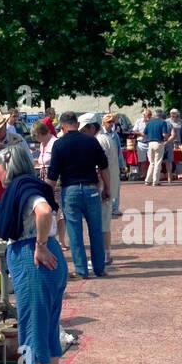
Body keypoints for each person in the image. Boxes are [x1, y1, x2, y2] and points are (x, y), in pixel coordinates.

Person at [0, 143, 68, 364]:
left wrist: (39, 245)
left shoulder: (24, 188)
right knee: (49, 325)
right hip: (48, 262)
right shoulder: (31, 184)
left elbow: (45, 211)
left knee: (32, 326)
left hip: (33, 260)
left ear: (8, 165)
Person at [47, 111, 110, 279]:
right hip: (91, 189)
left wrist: (46, 193)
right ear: (76, 123)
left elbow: (53, 174)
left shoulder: (59, 144)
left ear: (62, 126)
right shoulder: (91, 141)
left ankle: (82, 270)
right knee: (96, 230)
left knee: (75, 233)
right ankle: (99, 268)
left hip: (70, 190)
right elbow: (104, 167)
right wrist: (107, 188)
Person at [79, 113, 117, 264]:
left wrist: (102, 188)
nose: (82, 134)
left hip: (101, 188)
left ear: (92, 128)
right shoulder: (106, 139)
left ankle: (103, 255)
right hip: (107, 186)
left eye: (84, 130)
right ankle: (106, 254)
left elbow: (101, 168)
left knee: (100, 223)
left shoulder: (99, 141)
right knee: (104, 222)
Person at [101, 112, 125, 219]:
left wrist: (121, 164)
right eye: (108, 122)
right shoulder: (101, 135)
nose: (111, 124)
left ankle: (115, 208)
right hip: (104, 164)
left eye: (112, 122)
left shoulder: (115, 135)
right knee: (104, 184)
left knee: (116, 185)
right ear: (104, 123)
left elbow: (119, 150)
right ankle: (107, 207)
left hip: (114, 163)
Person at [144, 107, 172, 185]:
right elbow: (164, 134)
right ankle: (155, 181)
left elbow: (145, 133)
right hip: (159, 142)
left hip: (150, 143)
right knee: (158, 162)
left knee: (151, 162)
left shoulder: (149, 122)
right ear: (161, 115)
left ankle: (147, 180)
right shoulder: (163, 122)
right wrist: (166, 138)